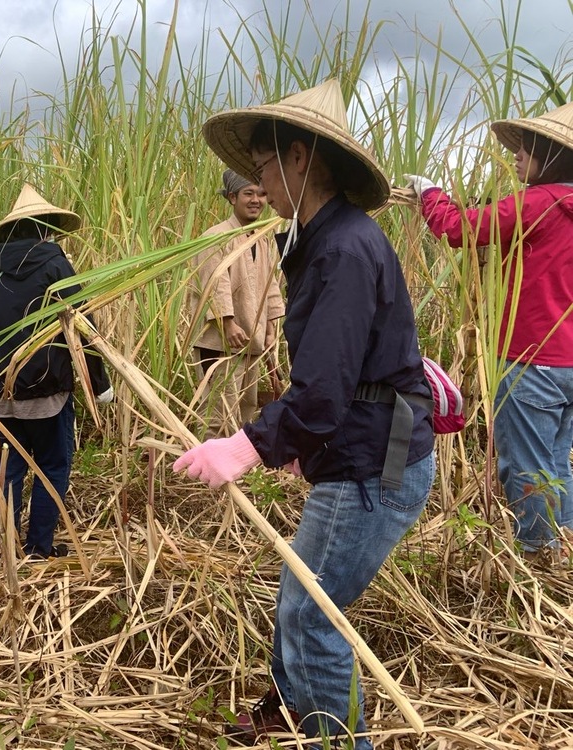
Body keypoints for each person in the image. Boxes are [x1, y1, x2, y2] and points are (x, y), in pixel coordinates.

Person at [175, 79, 435, 748]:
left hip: (374, 463)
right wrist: (297, 444)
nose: (257, 183)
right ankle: (293, 709)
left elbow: (322, 391)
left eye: (263, 165)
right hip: (357, 450)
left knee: (313, 615)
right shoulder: (321, 241)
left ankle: (342, 740)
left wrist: (248, 444)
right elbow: (336, 376)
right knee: (301, 597)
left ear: (298, 158)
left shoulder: (345, 249)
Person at [406, 101, 573, 560]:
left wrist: (429, 194)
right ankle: (565, 548)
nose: (516, 156)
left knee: (526, 466)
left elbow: (457, 228)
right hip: (569, 362)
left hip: (531, 360)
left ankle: (540, 556)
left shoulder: (537, 202)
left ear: (553, 157)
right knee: (557, 462)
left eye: (527, 148)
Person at [0, 184, 112, 559]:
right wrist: (99, 384)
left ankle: (2, 548)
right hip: (45, 388)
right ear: (46, 227)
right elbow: (80, 324)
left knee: (6, 470)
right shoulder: (54, 262)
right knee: (52, 466)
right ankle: (39, 547)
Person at [190, 169, 285, 437]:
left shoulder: (262, 238)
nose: (256, 200)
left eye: (261, 193)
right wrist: (228, 323)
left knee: (246, 405)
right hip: (219, 341)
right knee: (218, 408)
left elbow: (270, 285)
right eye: (248, 193)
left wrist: (269, 330)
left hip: (251, 339)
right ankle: (211, 474)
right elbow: (213, 283)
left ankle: (234, 466)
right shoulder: (215, 236)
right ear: (232, 198)